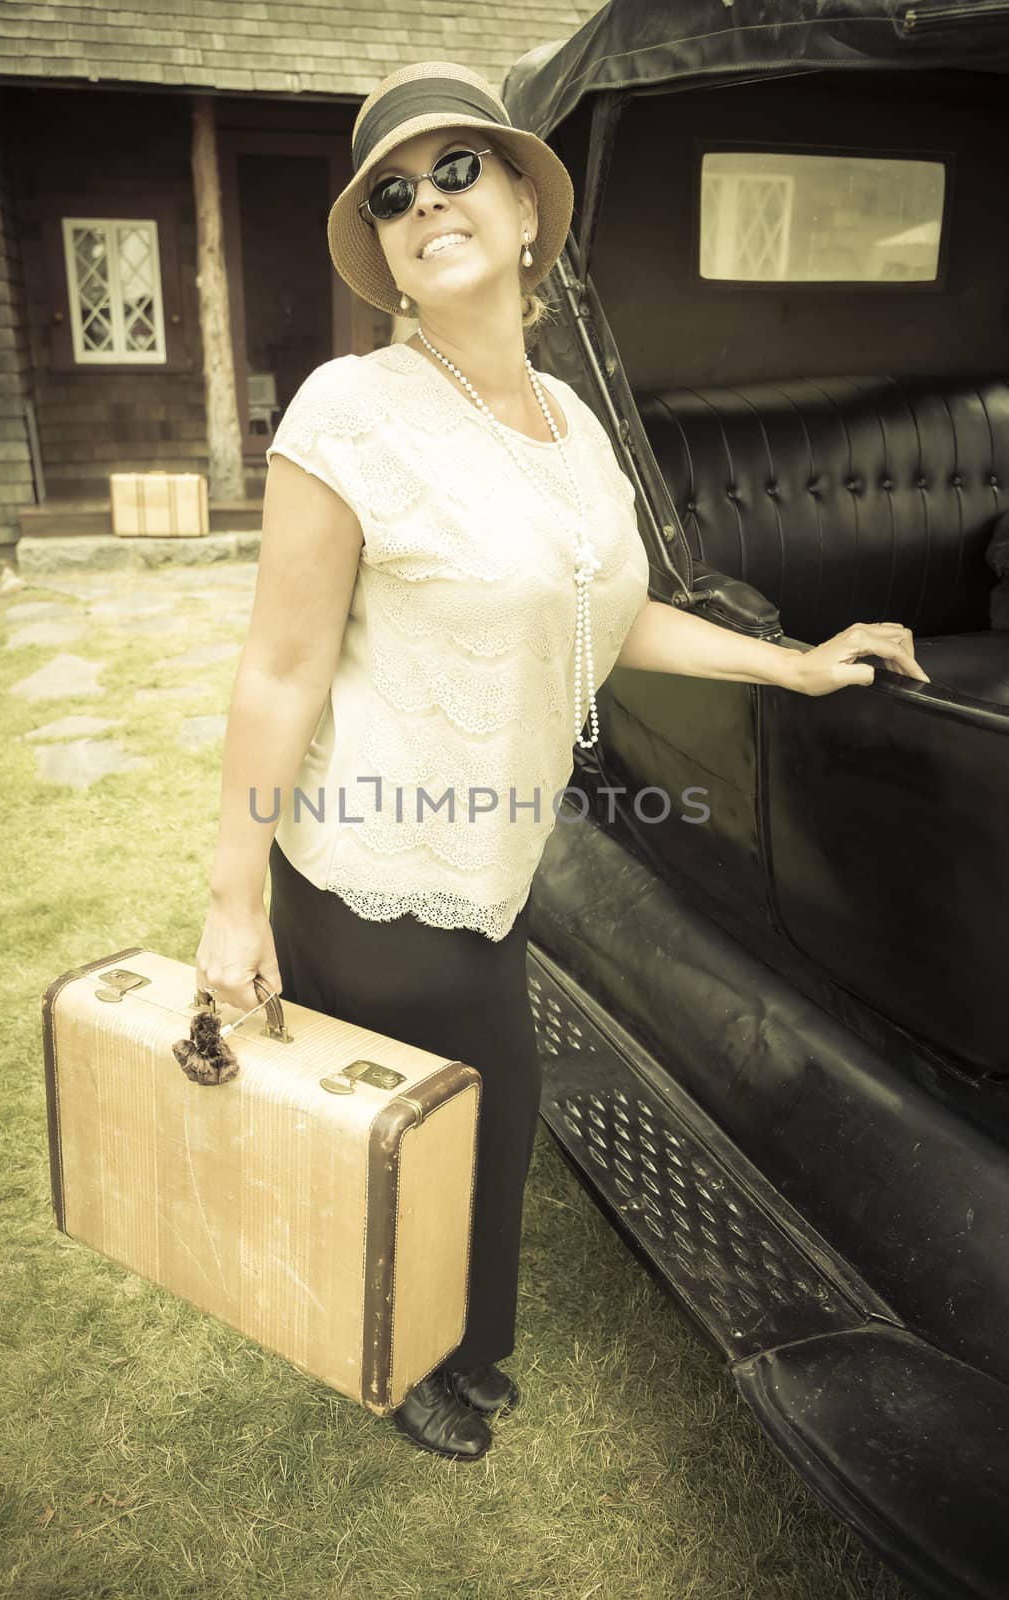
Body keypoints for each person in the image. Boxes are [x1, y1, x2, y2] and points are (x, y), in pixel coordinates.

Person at [194, 60, 931, 1466]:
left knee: (492, 1121)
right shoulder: (348, 416)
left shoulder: (574, 428)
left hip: (491, 858)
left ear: (528, 206)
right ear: (391, 259)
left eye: (458, 170)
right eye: (394, 198)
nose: (428, 205)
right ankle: (410, 1362)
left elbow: (611, 609)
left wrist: (792, 661)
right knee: (416, 1136)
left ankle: (449, 1351)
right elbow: (277, 671)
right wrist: (233, 902)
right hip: (368, 864)